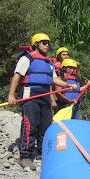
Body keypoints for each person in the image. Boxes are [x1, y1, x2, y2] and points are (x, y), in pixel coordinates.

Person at [8, 33, 77, 171]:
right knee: (31, 124)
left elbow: (54, 79)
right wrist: (11, 95)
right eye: (44, 42)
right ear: (36, 44)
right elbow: (17, 76)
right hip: (31, 93)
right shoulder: (27, 58)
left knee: (45, 125)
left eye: (48, 43)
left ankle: (41, 152)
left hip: (45, 95)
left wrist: (67, 85)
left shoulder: (49, 62)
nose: (47, 45)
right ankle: (25, 156)